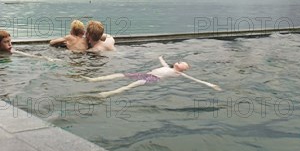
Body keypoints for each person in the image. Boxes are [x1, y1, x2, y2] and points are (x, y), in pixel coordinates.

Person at [84, 56, 221, 97]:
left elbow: (195, 80)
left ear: (182, 69)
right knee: (122, 75)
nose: (179, 62)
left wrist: (211, 85)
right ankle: (94, 79)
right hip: (147, 74)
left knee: (130, 85)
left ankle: (108, 93)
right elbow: (163, 63)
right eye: (180, 62)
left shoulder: (177, 73)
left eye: (182, 64)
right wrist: (159, 57)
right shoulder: (169, 67)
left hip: (152, 79)